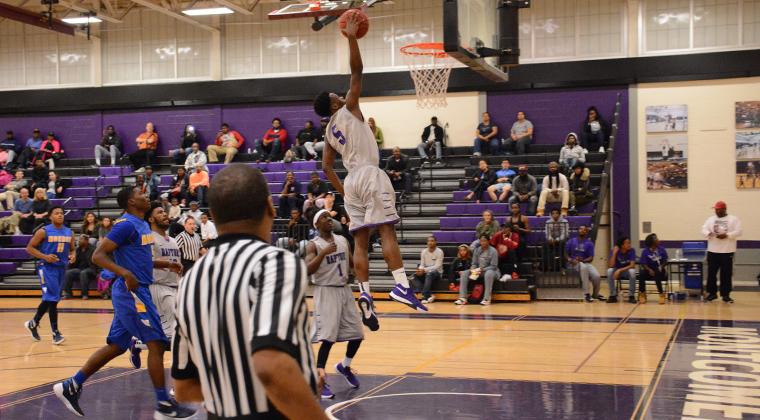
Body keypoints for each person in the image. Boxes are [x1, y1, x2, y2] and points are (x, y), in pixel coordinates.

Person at [170, 164, 322, 419]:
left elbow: (184, 388)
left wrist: (298, 378)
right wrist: (297, 387)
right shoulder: (276, 262)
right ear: (270, 207)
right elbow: (271, 366)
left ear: (213, 217)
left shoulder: (190, 279)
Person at [313, 12, 427, 325]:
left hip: (351, 182)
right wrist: (351, 37)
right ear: (334, 103)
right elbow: (357, 71)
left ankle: (364, 293)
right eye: (336, 94)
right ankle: (402, 285)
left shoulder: (327, 133)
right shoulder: (348, 107)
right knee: (387, 230)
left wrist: (343, 190)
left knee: (361, 242)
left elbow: (326, 167)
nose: (340, 93)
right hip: (368, 173)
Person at [52, 187, 195, 419]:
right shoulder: (126, 225)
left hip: (138, 289)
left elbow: (142, 259)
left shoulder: (141, 226)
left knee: (117, 345)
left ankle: (71, 385)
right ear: (131, 201)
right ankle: (163, 403)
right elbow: (98, 255)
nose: (146, 194)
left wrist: (165, 264)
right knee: (157, 343)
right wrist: (125, 273)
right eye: (140, 193)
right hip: (132, 291)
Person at [305, 209, 364, 400]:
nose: (329, 220)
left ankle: (344, 366)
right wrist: (322, 254)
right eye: (323, 218)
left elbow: (352, 265)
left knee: (357, 335)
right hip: (326, 291)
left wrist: (363, 286)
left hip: (344, 289)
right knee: (328, 338)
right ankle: (320, 379)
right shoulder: (313, 245)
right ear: (316, 224)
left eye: (329, 217)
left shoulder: (342, 240)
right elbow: (307, 270)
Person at [23, 206, 74, 344]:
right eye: (56, 213)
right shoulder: (43, 231)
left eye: (62, 213)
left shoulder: (69, 232)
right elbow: (29, 248)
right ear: (50, 216)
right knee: (52, 299)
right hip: (46, 268)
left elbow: (72, 250)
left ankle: (33, 323)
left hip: (61, 268)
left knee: (52, 299)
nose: (60, 215)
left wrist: (72, 256)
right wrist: (45, 257)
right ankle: (55, 333)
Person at [146, 203, 183, 340]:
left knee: (179, 329)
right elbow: (145, 262)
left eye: (164, 212)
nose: (165, 214)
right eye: (160, 212)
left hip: (175, 286)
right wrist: (169, 264)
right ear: (151, 219)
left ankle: (138, 343)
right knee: (173, 332)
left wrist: (178, 266)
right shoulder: (149, 237)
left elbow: (175, 263)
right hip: (159, 287)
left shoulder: (173, 240)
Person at [701, 201, 742, 303]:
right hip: (712, 251)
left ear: (724, 209)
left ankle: (726, 295)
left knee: (726, 274)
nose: (717, 211)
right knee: (711, 273)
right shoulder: (711, 219)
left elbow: (739, 231)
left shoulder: (733, 219)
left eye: (719, 209)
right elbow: (703, 229)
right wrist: (709, 233)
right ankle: (712, 294)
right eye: (715, 209)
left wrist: (727, 235)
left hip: (727, 251)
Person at [455, 234, 499, 306]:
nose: (483, 243)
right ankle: (462, 298)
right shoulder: (477, 250)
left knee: (489, 273)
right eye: (481, 241)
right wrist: (473, 268)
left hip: (492, 271)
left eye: (484, 241)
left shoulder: (493, 251)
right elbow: (474, 263)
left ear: (488, 241)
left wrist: (482, 269)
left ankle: (486, 299)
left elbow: (493, 266)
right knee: (465, 273)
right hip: (479, 271)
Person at [566, 226, 603, 302]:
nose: (582, 230)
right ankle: (586, 294)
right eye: (580, 229)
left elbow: (591, 258)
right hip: (573, 264)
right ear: (578, 230)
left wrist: (583, 260)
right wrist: (570, 259)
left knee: (597, 276)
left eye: (584, 230)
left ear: (586, 232)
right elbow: (565, 254)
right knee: (583, 268)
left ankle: (595, 294)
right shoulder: (571, 241)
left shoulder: (589, 243)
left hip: (585, 263)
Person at [62, 234, 96, 300]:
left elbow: (97, 262)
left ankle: (84, 294)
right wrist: (71, 262)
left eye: (81, 239)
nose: (79, 241)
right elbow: (74, 262)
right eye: (79, 239)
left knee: (83, 273)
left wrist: (99, 272)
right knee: (68, 273)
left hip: (91, 269)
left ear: (87, 241)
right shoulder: (77, 250)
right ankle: (68, 293)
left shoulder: (93, 249)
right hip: (80, 269)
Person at [412, 236, 444, 304]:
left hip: (437, 273)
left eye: (432, 241)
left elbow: (437, 266)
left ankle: (424, 296)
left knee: (429, 274)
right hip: (426, 271)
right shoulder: (424, 251)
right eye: (429, 241)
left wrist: (424, 270)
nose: (430, 242)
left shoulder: (439, 252)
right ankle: (429, 295)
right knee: (414, 276)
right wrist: (420, 270)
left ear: (435, 242)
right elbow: (422, 264)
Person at [639, 233, 668, 305]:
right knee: (642, 273)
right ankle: (642, 294)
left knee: (657, 272)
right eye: (656, 239)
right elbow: (643, 263)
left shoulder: (662, 249)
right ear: (652, 242)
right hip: (649, 271)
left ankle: (661, 295)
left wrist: (661, 266)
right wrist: (649, 270)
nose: (658, 240)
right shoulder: (645, 251)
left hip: (660, 270)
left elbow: (665, 261)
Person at [606, 236, 638, 304]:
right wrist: (614, 253)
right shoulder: (614, 251)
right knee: (609, 271)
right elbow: (611, 265)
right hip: (616, 271)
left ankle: (631, 296)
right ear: (622, 245)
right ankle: (613, 295)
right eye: (627, 243)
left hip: (625, 271)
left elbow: (632, 265)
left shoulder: (632, 250)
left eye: (629, 243)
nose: (629, 245)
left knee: (632, 272)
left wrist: (619, 270)